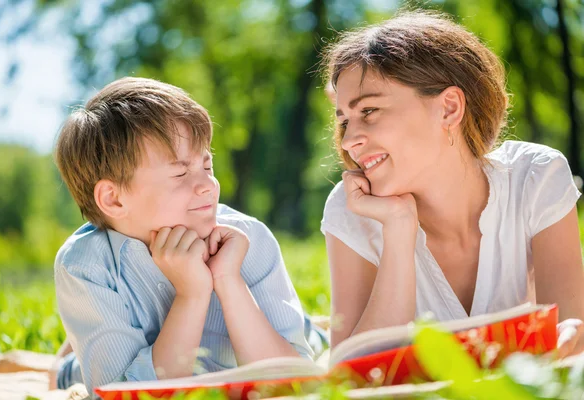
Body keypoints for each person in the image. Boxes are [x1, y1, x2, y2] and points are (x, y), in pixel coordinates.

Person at [320, 10, 584, 357]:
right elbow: (352, 378)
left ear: (448, 108)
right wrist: (399, 229)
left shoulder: (534, 179)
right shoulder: (352, 209)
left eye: (368, 111)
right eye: (344, 122)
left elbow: (570, 349)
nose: (350, 139)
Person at [50, 77, 313, 396]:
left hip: (262, 340)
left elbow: (294, 384)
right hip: (116, 359)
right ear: (114, 200)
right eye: (179, 173)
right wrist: (192, 294)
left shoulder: (248, 240)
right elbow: (125, 393)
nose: (208, 185)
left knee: (310, 335)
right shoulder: (85, 266)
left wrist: (228, 279)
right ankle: (68, 358)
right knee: (65, 378)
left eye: (207, 166)